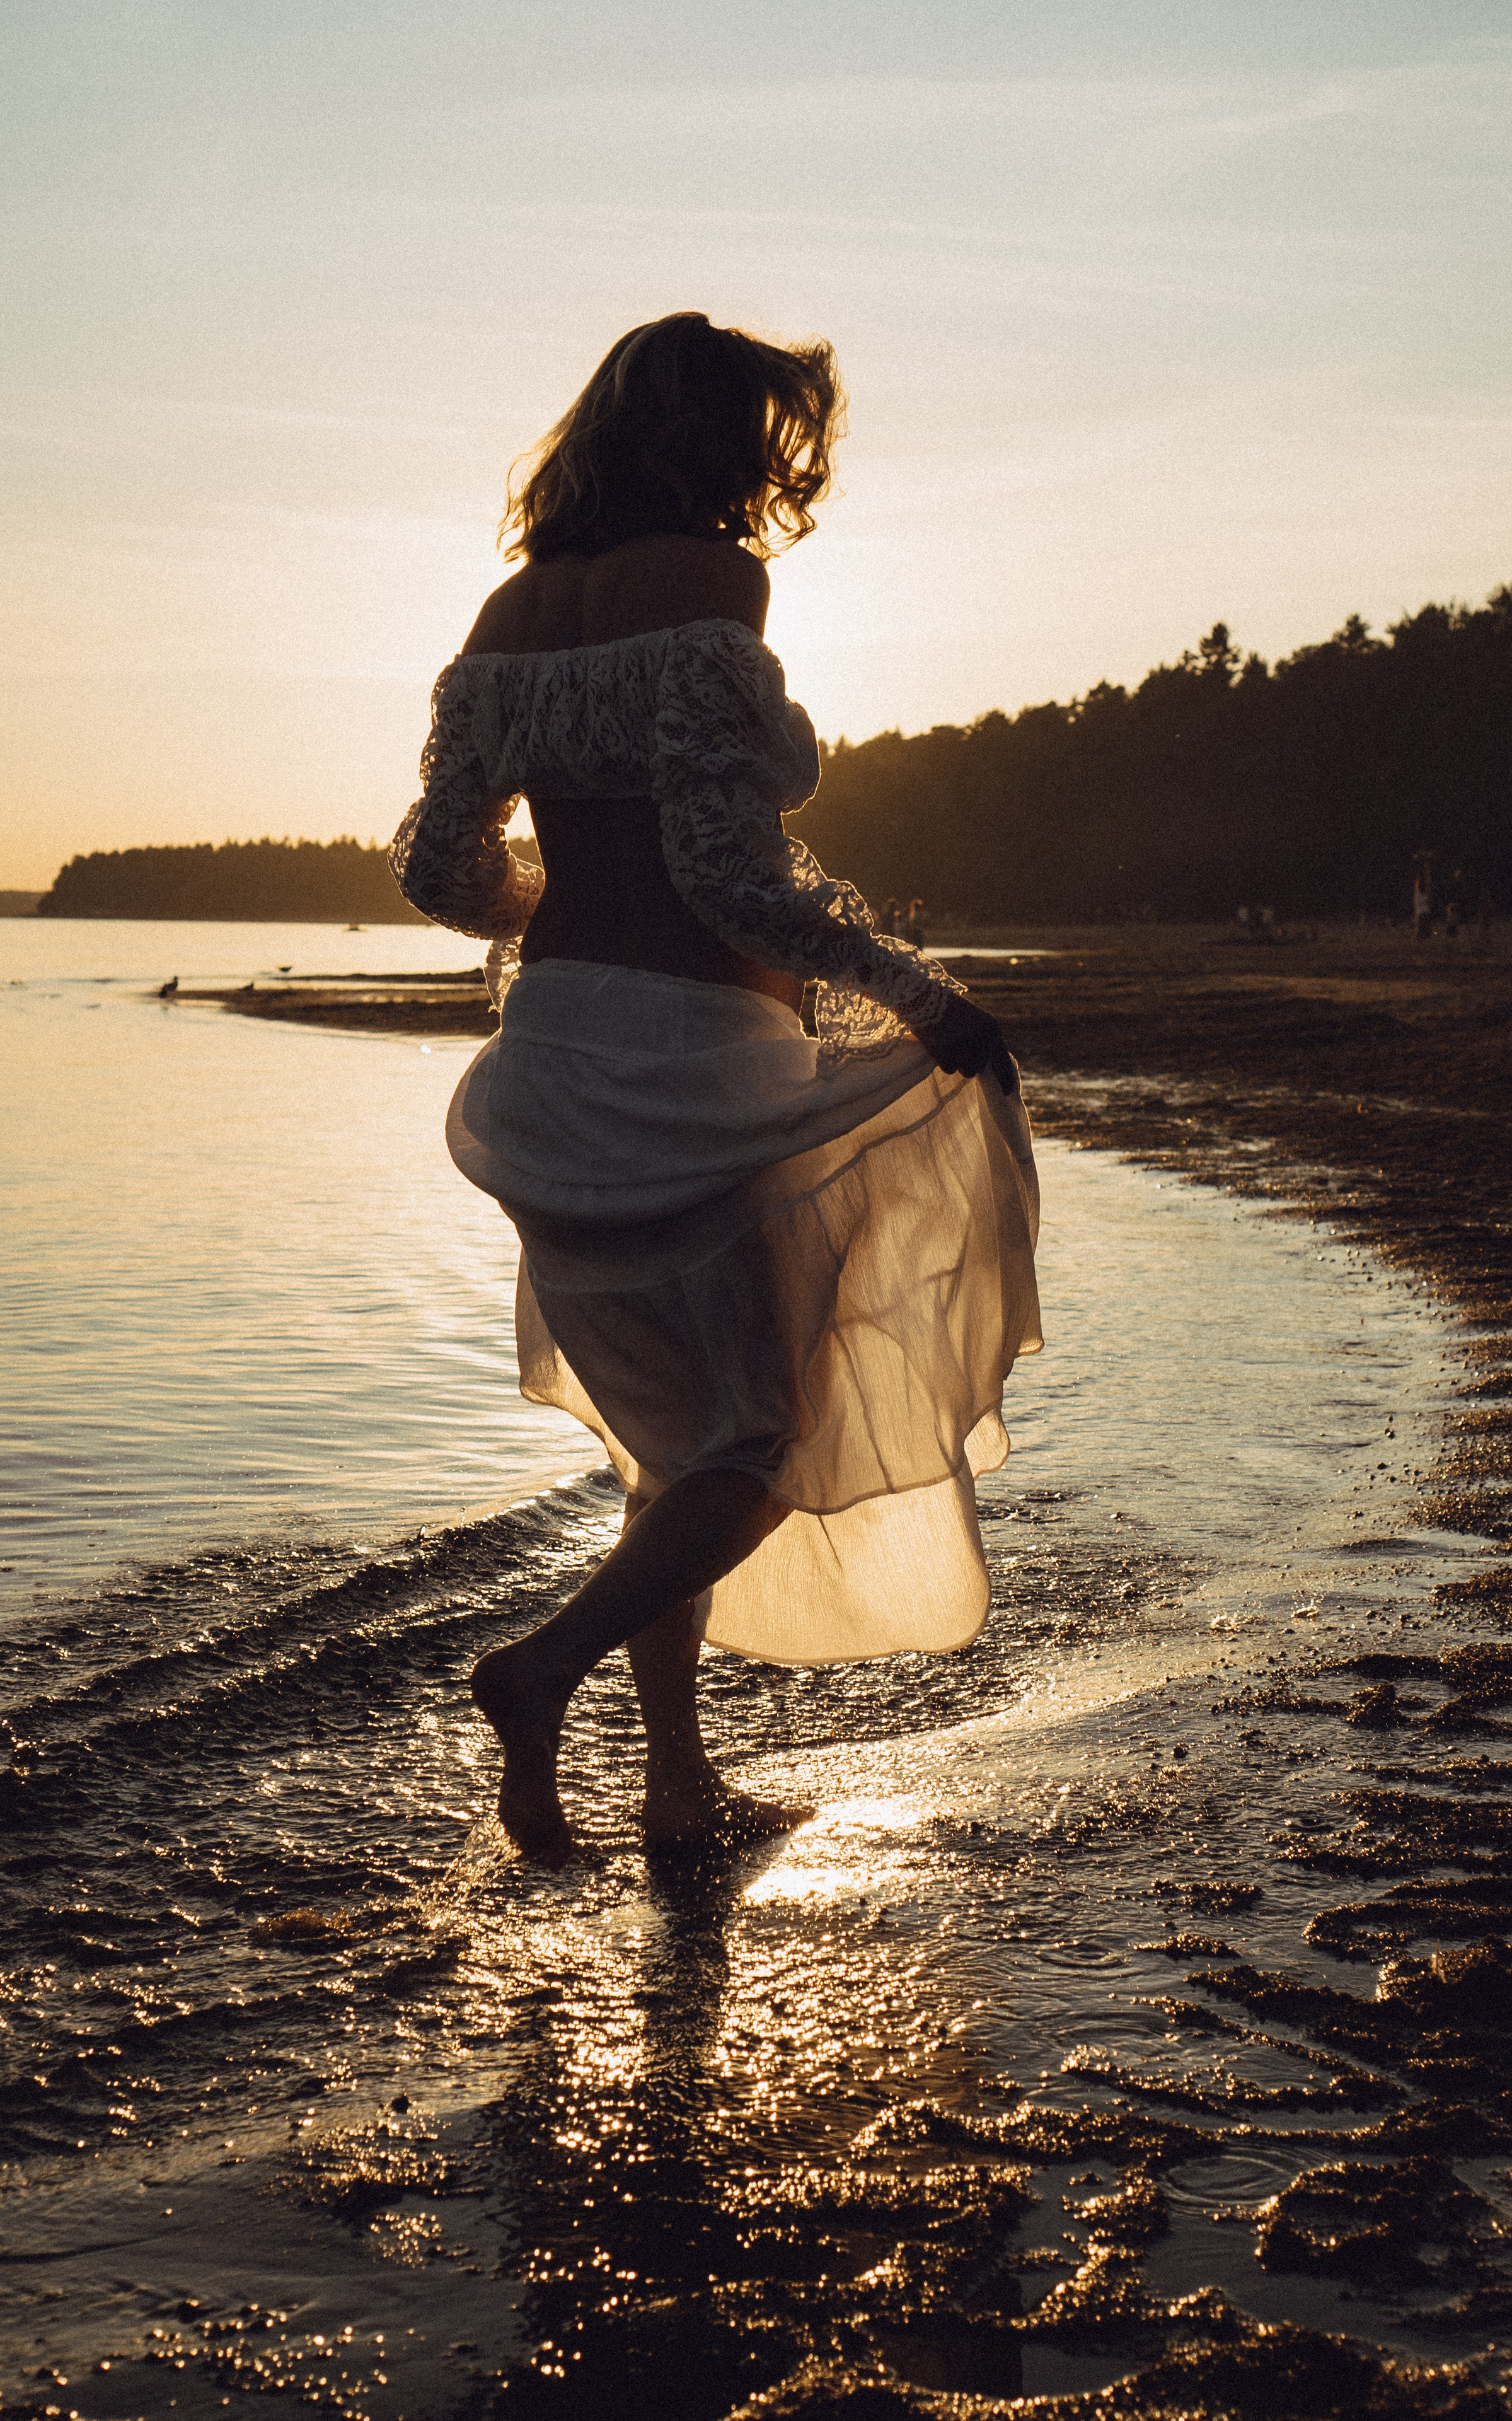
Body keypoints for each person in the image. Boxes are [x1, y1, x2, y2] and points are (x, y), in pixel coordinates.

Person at [390, 313, 1041, 1864]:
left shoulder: (505, 615)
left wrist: (551, 912)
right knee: (761, 1444)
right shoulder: (709, 587)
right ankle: (539, 1669)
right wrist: (925, 1000)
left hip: (549, 1066)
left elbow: (436, 868)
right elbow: (733, 881)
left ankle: (677, 1787)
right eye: (769, 435)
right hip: (693, 1064)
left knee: (673, 1453)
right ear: (723, 444)